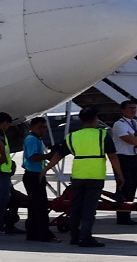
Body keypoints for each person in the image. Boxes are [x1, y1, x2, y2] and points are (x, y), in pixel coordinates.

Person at [43, 106, 125, 248]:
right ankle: (85, 237)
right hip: (95, 176)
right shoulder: (103, 135)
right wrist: (120, 175)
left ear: (81, 120)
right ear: (95, 119)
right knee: (89, 209)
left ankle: (75, 236)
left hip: (78, 175)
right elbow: (113, 157)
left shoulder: (73, 136)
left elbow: (58, 155)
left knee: (76, 207)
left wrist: (45, 170)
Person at [112, 100, 137, 225]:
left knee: (133, 186)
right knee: (124, 186)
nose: (133, 110)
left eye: (134, 108)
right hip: (122, 158)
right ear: (122, 110)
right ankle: (121, 215)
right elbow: (130, 140)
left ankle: (127, 214)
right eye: (130, 108)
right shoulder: (119, 124)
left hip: (134, 157)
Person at [22, 117, 58, 242]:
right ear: (32, 127)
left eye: (44, 127)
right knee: (40, 207)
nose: (42, 130)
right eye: (39, 127)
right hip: (33, 175)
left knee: (33, 207)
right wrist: (50, 155)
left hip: (34, 175)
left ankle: (33, 233)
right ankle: (44, 234)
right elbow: (33, 157)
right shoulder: (32, 139)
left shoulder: (36, 139)